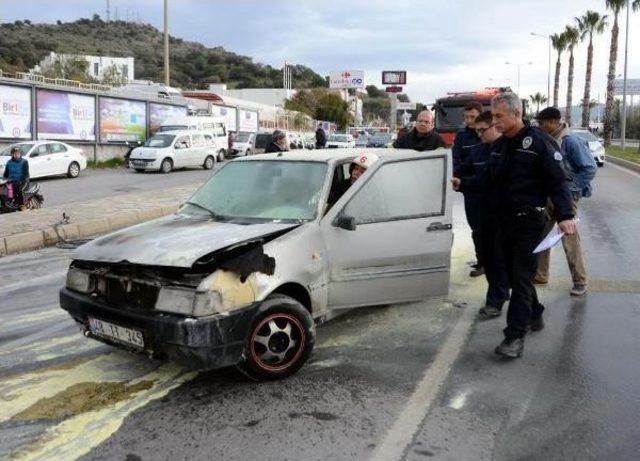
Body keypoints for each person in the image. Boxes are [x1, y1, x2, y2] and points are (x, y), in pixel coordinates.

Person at [481, 92, 575, 358]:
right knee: (513, 275)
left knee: (521, 277)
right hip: (504, 221)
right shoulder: (499, 145)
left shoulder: (540, 143)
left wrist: (566, 216)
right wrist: (463, 183)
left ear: (516, 114)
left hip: (531, 223)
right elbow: (491, 180)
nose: (495, 121)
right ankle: (535, 313)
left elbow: (558, 182)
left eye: (499, 116)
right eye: (493, 116)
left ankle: (514, 337)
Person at [453, 110, 510, 319]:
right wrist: (460, 181)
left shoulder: (509, 149)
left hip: (509, 217)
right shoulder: (478, 151)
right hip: (483, 213)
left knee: (513, 265)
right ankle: (498, 297)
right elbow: (467, 172)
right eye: (476, 131)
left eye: (482, 130)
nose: (479, 135)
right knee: (492, 260)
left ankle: (527, 308)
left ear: (494, 126)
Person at [534, 107, 596, 296]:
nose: (540, 126)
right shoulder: (548, 139)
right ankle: (540, 275)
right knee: (542, 237)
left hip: (565, 199)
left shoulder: (570, 141)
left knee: (569, 240)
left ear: (553, 122)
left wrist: (570, 189)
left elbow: (589, 168)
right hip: (549, 197)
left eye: (542, 123)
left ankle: (580, 281)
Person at [452, 101, 483, 276]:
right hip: (469, 189)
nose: (469, 120)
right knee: (475, 228)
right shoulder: (462, 136)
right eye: (466, 117)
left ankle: (490, 262)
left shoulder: (489, 134)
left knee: (489, 229)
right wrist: (458, 177)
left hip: (487, 190)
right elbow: (456, 158)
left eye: (473, 117)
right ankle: (481, 262)